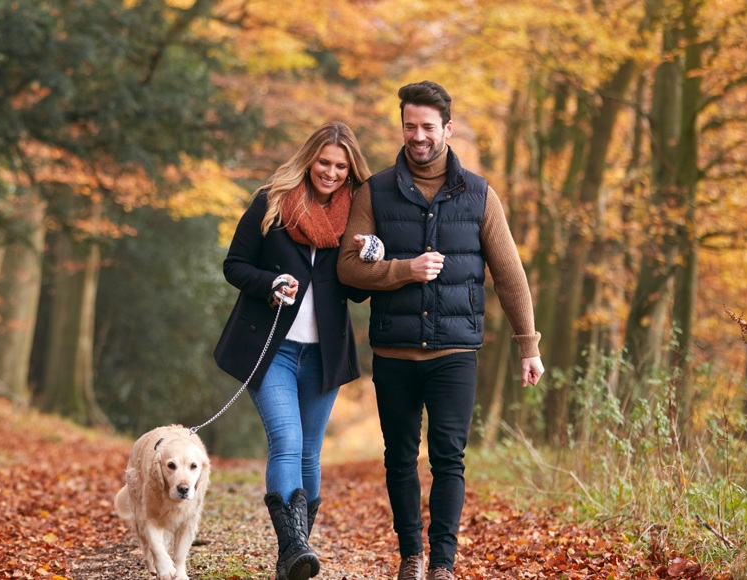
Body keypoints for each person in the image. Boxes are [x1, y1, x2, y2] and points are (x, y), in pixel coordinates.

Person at [337, 81, 545, 580]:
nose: (418, 136)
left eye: (428, 127)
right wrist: (403, 270)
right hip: (394, 350)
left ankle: (443, 565)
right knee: (400, 459)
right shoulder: (375, 192)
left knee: (449, 458)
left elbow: (510, 273)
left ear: (447, 129)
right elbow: (347, 268)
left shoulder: (478, 194)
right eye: (410, 126)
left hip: (455, 353)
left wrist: (528, 346)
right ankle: (411, 557)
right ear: (402, 126)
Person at [214, 120, 372, 580]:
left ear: (350, 169)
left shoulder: (356, 217)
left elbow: (359, 293)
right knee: (286, 441)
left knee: (309, 454)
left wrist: (369, 256)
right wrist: (270, 283)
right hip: (273, 350)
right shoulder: (273, 202)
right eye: (324, 162)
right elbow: (234, 264)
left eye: (341, 166)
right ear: (309, 159)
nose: (331, 172)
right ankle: (293, 549)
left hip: (324, 355)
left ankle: (293, 558)